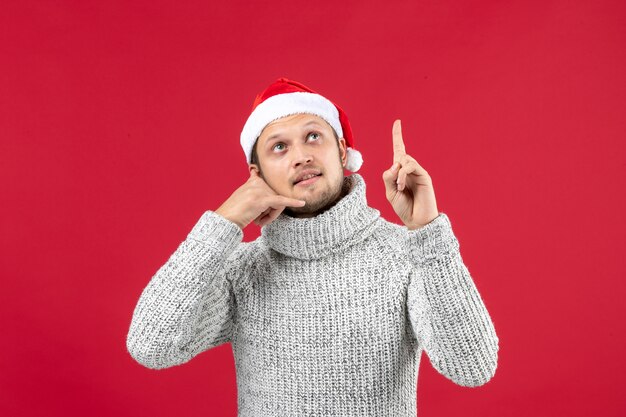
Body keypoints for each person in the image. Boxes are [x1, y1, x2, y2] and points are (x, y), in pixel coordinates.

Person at [126, 77, 499, 416]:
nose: (301, 155)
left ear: (341, 150)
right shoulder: (241, 270)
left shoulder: (406, 254)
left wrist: (428, 234)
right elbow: (151, 345)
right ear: (257, 176)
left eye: (313, 137)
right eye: (278, 147)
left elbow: (473, 366)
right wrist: (223, 223)